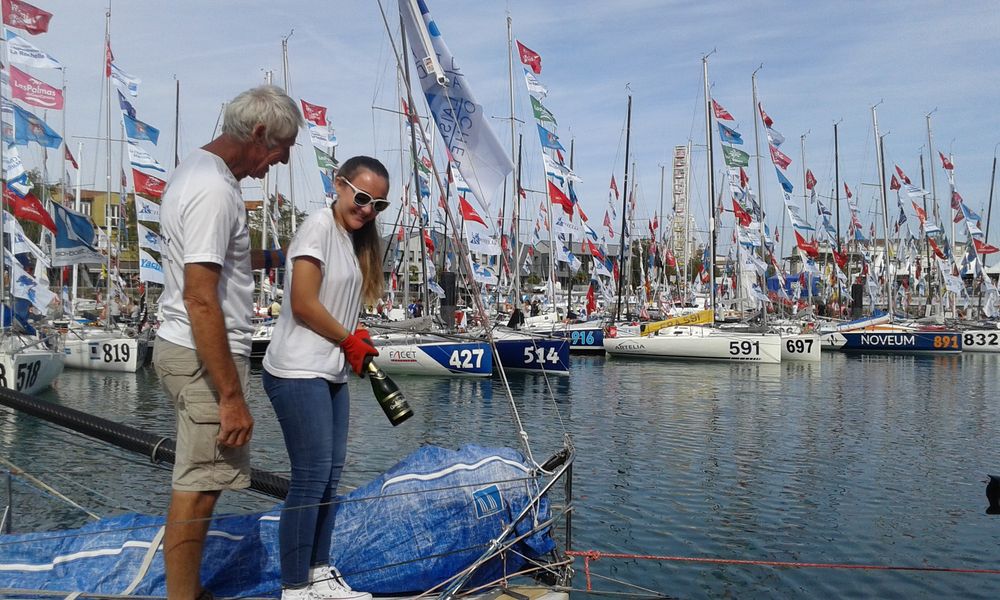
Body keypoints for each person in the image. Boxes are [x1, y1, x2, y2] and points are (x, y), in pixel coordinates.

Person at [153, 84, 303, 600]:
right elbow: (200, 298)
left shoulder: (195, 172)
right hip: (201, 357)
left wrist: (274, 258)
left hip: (186, 349)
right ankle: (183, 596)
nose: (278, 164)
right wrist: (231, 397)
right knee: (197, 487)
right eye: (281, 150)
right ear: (259, 133)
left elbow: (215, 266)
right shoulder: (216, 191)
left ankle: (187, 591)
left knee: (203, 481)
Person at [262, 156, 390, 600]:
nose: (368, 209)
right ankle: (294, 587)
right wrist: (349, 340)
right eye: (362, 197)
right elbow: (303, 303)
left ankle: (318, 573)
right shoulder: (317, 226)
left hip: (331, 371)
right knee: (310, 476)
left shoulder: (353, 241)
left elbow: (336, 306)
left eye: (378, 204)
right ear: (338, 185)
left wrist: (357, 333)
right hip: (297, 370)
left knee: (331, 478)